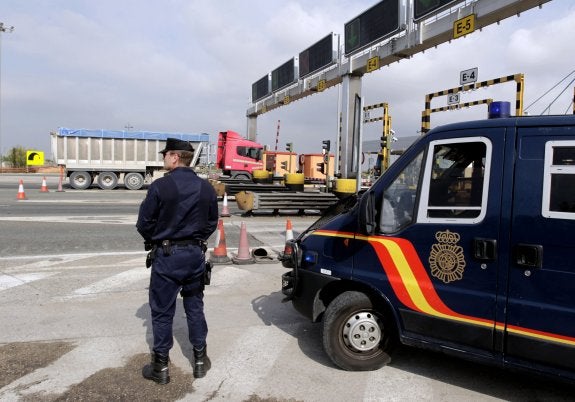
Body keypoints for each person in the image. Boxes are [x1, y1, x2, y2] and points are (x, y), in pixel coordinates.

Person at [136, 138, 218, 384]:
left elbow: (144, 223)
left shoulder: (161, 186)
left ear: (173, 157)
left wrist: (159, 239)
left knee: (162, 311)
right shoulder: (206, 188)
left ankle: (160, 367)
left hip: (168, 256)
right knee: (194, 306)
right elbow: (211, 223)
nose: (163, 159)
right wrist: (195, 240)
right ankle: (200, 360)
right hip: (194, 256)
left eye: (165, 155)